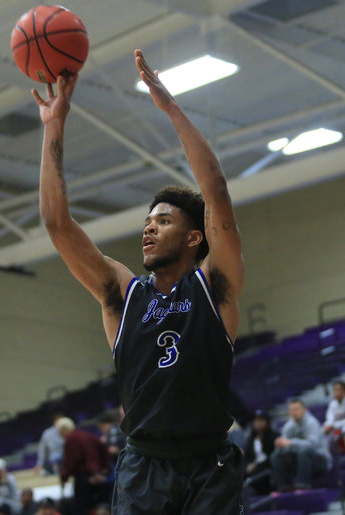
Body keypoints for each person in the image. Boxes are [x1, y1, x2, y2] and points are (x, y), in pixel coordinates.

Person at [33, 49, 245, 513]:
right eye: (147, 221)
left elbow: (217, 192)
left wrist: (171, 109)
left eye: (163, 221)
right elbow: (56, 223)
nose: (149, 228)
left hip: (211, 465)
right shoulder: (122, 295)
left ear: (195, 236)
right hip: (144, 466)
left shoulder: (215, 286)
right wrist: (54, 126)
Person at [271, 398, 331, 492]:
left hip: (320, 460)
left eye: (297, 409)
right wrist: (280, 445)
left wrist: (291, 442)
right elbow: (285, 445)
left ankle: (303, 486)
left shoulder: (312, 423)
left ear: (304, 409)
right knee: (276, 455)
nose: (294, 412)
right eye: (292, 409)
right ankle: (284, 488)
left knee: (304, 451)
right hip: (300, 461)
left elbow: (312, 446)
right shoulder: (288, 426)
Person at [56, 417, 111, 515]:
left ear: (63, 430)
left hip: (84, 479)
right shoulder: (87, 435)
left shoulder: (71, 439)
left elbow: (72, 461)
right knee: (102, 507)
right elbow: (103, 448)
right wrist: (105, 468)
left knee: (81, 509)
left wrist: (64, 476)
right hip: (99, 477)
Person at [244, 410, 279, 495]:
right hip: (252, 468)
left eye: (260, 420)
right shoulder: (250, 439)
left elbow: (274, 457)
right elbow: (247, 456)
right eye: (255, 421)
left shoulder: (274, 436)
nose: (257, 423)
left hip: (267, 467)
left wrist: (256, 465)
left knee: (255, 473)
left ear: (267, 422)